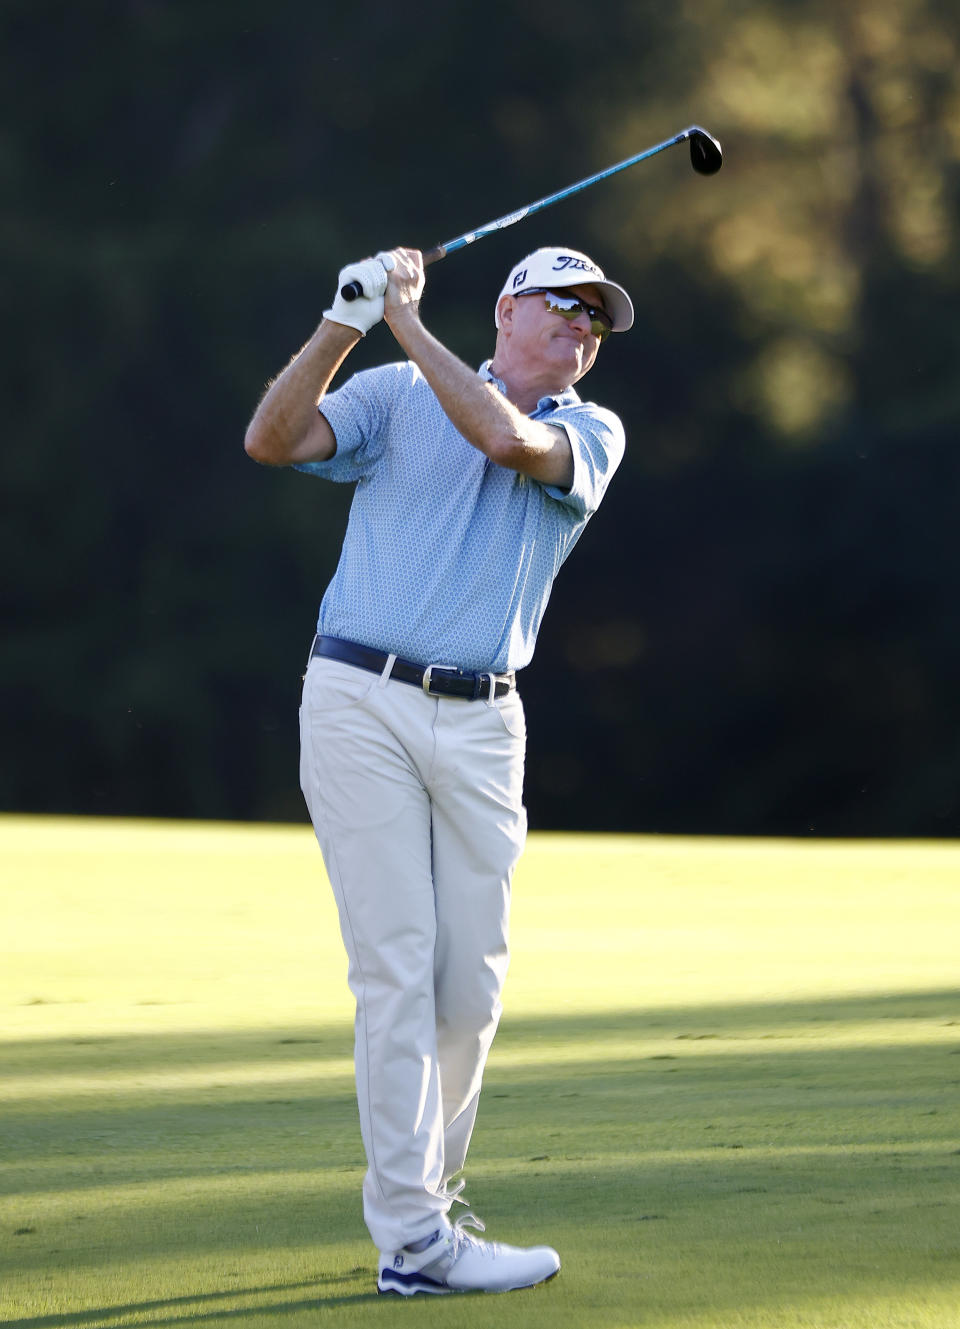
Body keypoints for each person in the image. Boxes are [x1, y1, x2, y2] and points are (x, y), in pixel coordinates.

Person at [244, 244, 633, 1295]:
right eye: (565, 306)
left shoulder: (589, 430)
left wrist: (408, 321)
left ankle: (431, 1219)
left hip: (484, 723)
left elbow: (506, 442)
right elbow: (271, 439)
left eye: (596, 320)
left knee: (471, 986)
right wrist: (344, 322)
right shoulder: (392, 391)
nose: (583, 328)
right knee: (399, 969)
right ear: (507, 310)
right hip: (359, 698)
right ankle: (415, 1238)